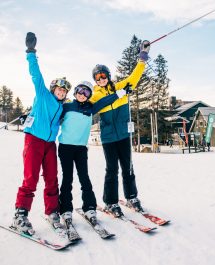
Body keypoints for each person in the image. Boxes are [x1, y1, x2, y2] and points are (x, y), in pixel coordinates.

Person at [12, 32, 71, 235]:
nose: (62, 93)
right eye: (59, 90)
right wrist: (31, 52)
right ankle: (20, 214)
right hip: (34, 140)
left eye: (64, 92)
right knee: (31, 179)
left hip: (49, 144)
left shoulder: (63, 107)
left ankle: (52, 211)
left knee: (52, 178)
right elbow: (35, 74)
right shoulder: (43, 94)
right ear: (53, 88)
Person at [89, 40, 150, 217]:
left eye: (103, 76)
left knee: (128, 167)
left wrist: (143, 57)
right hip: (108, 138)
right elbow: (95, 107)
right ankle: (110, 202)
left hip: (123, 135)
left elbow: (135, 76)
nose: (101, 79)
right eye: (98, 77)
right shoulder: (95, 95)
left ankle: (132, 196)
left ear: (108, 75)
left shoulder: (119, 87)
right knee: (111, 170)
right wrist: (118, 95)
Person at [58, 81, 129, 225]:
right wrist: (29, 116)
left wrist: (121, 93)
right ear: (75, 91)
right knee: (67, 179)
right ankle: (65, 209)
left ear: (90, 95)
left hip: (81, 149)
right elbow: (50, 111)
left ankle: (89, 207)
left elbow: (106, 100)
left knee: (84, 178)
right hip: (65, 148)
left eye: (86, 92)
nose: (82, 95)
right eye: (80, 91)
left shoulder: (91, 108)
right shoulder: (67, 106)